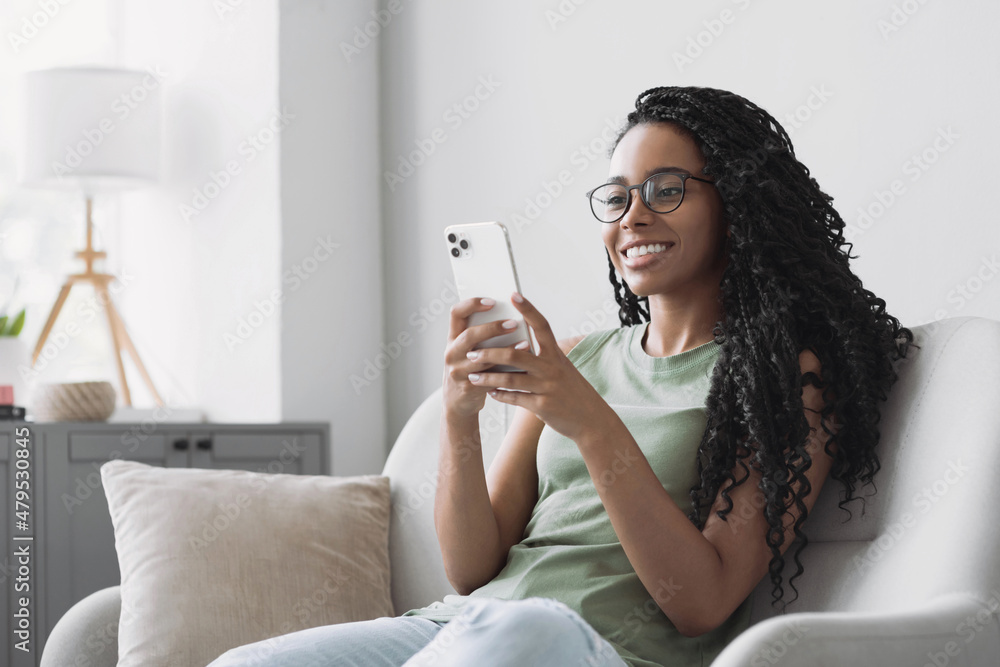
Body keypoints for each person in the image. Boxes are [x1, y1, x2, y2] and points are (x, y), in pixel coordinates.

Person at [208, 85, 915, 667]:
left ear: (737, 202)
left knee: (522, 633)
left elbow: (701, 600)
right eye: (617, 197)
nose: (633, 216)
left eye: (667, 190)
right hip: (466, 627)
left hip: (592, 648)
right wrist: (460, 418)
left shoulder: (786, 375)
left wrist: (588, 420)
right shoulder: (579, 357)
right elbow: (471, 569)